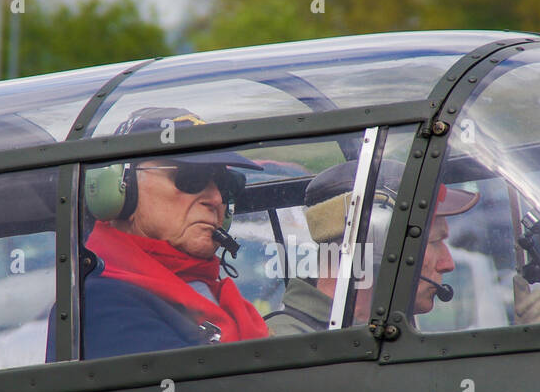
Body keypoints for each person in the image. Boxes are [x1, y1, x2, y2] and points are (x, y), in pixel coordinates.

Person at [81, 107, 269, 358]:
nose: (215, 198)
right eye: (191, 177)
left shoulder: (212, 293)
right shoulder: (99, 304)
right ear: (122, 188)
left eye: (225, 185)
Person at [267, 160, 479, 335]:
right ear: (377, 240)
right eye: (433, 242)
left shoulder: (387, 332)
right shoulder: (286, 344)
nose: (447, 264)